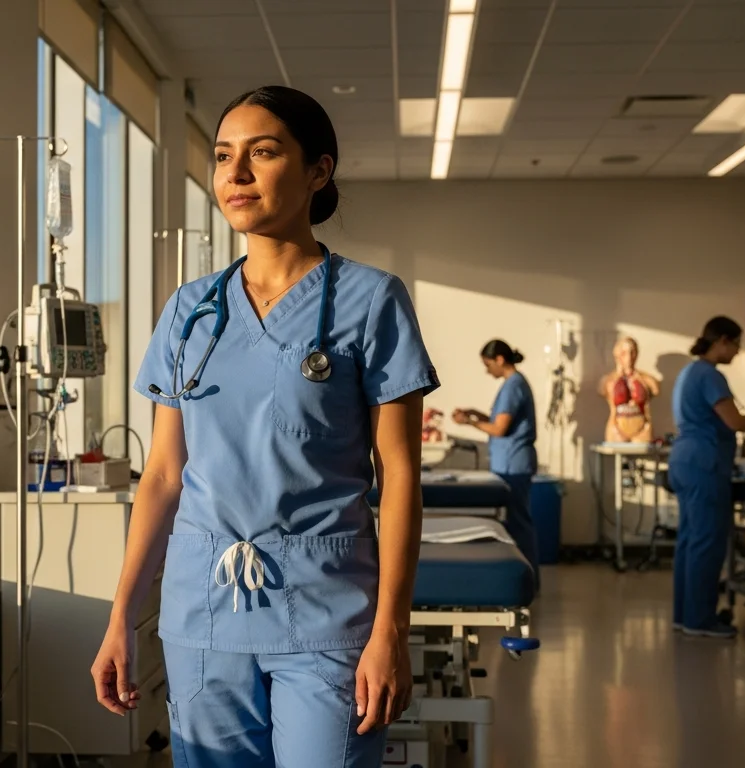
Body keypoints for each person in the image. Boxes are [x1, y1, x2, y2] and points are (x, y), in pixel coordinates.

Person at [90, 86, 438, 768]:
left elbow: (399, 476)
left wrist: (391, 630)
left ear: (318, 171)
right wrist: (122, 616)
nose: (235, 173)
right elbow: (163, 474)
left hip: (326, 612)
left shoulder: (371, 301)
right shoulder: (189, 312)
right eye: (223, 156)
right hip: (202, 612)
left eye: (264, 152)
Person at [669, 317, 745, 638]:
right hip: (703, 464)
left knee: (691, 542)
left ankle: (684, 615)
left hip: (685, 460)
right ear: (722, 340)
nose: (737, 352)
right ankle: (700, 620)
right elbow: (734, 421)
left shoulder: (688, 372)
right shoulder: (709, 375)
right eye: (736, 344)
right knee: (707, 542)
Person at [452, 340, 540, 587]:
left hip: (514, 464)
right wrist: (475, 414)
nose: (487, 370)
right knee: (517, 520)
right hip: (511, 462)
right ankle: (526, 578)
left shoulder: (514, 386)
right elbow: (498, 420)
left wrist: (469, 423)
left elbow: (499, 428)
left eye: (488, 364)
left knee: (519, 523)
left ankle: (527, 580)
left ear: (500, 360)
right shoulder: (514, 385)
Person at [598, 336, 660, 443]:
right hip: (616, 428)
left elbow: (655, 389)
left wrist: (638, 376)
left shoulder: (645, 379)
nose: (629, 357)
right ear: (617, 355)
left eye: (633, 352)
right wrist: (618, 373)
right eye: (624, 352)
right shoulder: (608, 380)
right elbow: (602, 389)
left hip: (642, 428)